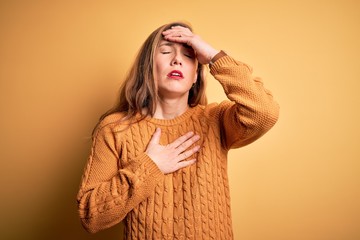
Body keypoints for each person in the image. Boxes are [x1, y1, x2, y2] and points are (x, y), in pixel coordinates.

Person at [77, 21, 279, 239]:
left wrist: (213, 56)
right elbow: (91, 216)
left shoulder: (216, 120)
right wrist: (150, 165)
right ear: (148, 68)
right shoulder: (115, 129)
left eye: (189, 56)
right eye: (165, 51)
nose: (177, 60)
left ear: (195, 76)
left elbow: (264, 113)